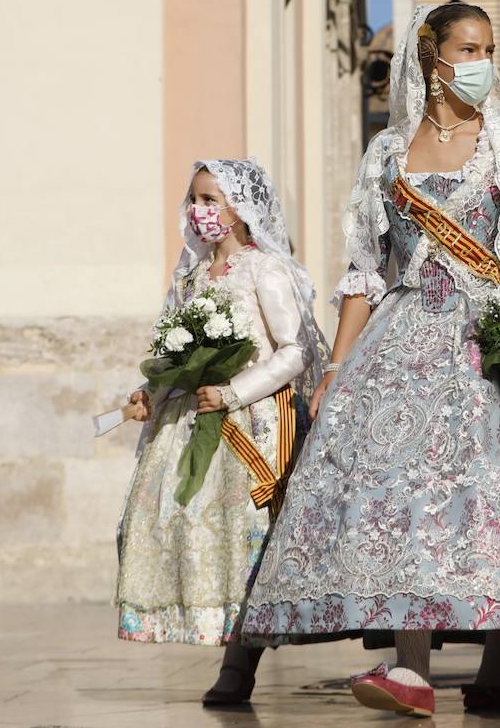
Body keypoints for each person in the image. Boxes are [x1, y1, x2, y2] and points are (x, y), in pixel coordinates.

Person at [241, 3, 500, 718]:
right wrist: (333, 372)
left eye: (487, 48)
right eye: (468, 48)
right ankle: (410, 670)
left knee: (493, 496)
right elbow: (363, 270)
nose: (481, 62)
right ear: (432, 58)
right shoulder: (387, 154)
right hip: (403, 334)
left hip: (489, 338)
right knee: (402, 495)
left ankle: (495, 659)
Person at [114, 159, 325, 706]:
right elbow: (175, 352)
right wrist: (150, 391)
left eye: (210, 199)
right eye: (194, 199)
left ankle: (239, 665)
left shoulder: (265, 271)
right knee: (191, 532)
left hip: (249, 425)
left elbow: (294, 350)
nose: (198, 210)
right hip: (190, 422)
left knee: (244, 540)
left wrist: (234, 392)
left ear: (239, 208)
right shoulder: (189, 275)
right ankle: (221, 642)